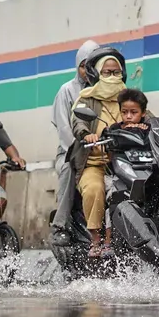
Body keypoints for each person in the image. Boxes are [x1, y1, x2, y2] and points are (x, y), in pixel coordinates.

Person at [69, 46, 127, 258]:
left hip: (124, 162)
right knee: (95, 189)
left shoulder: (129, 97)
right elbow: (78, 123)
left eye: (116, 72)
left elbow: (145, 115)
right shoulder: (87, 98)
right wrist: (87, 135)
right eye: (106, 72)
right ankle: (96, 239)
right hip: (94, 163)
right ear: (96, 73)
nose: (112, 76)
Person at [50, 39, 100, 246]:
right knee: (68, 171)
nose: (87, 70)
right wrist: (78, 152)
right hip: (71, 152)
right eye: (83, 65)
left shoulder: (105, 89)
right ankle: (60, 226)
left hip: (101, 150)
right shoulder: (67, 91)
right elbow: (63, 127)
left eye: (92, 65)